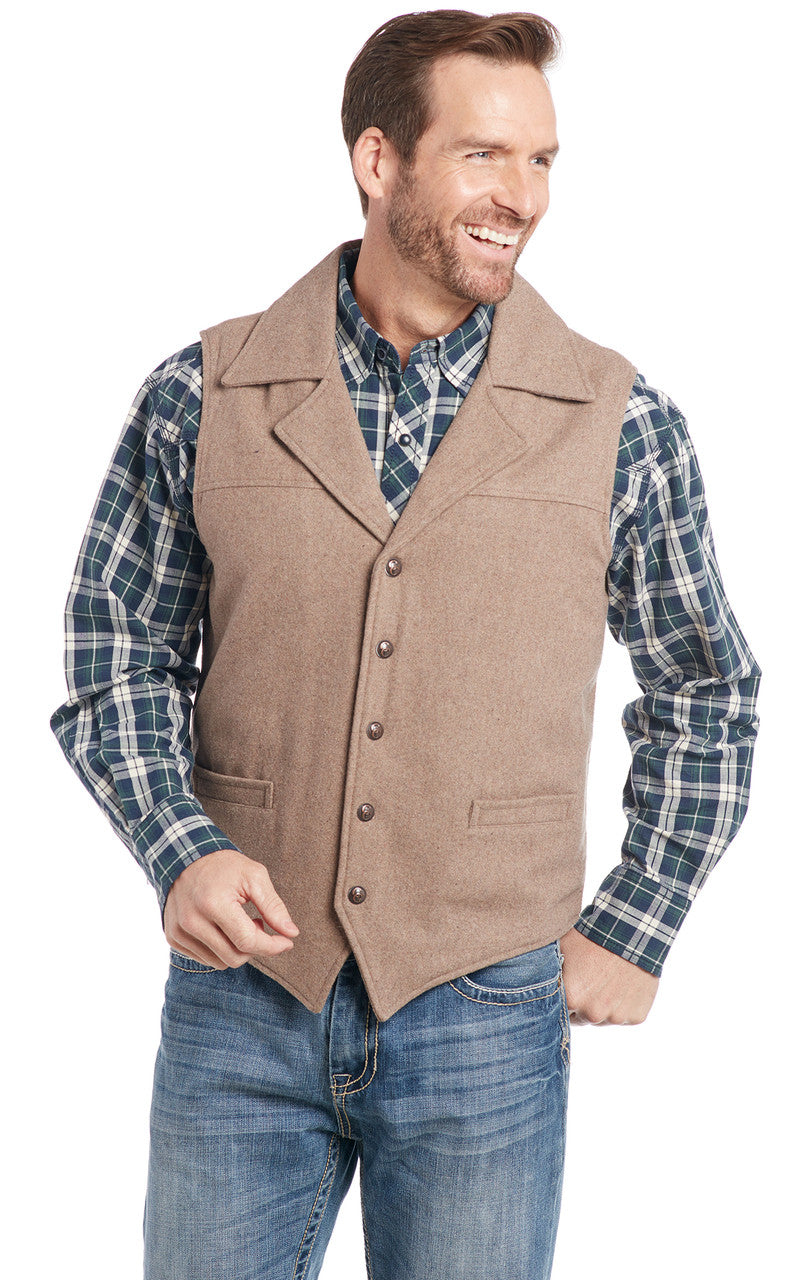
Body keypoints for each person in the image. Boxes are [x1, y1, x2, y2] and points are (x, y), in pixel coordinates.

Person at [51, 10, 760, 1279]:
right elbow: (118, 656)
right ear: (378, 161)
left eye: (542, 160)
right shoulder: (201, 392)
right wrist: (180, 847)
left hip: (487, 1008)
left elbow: (708, 687)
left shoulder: (622, 420)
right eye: (485, 155)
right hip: (242, 999)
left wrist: (638, 918)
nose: (523, 196)